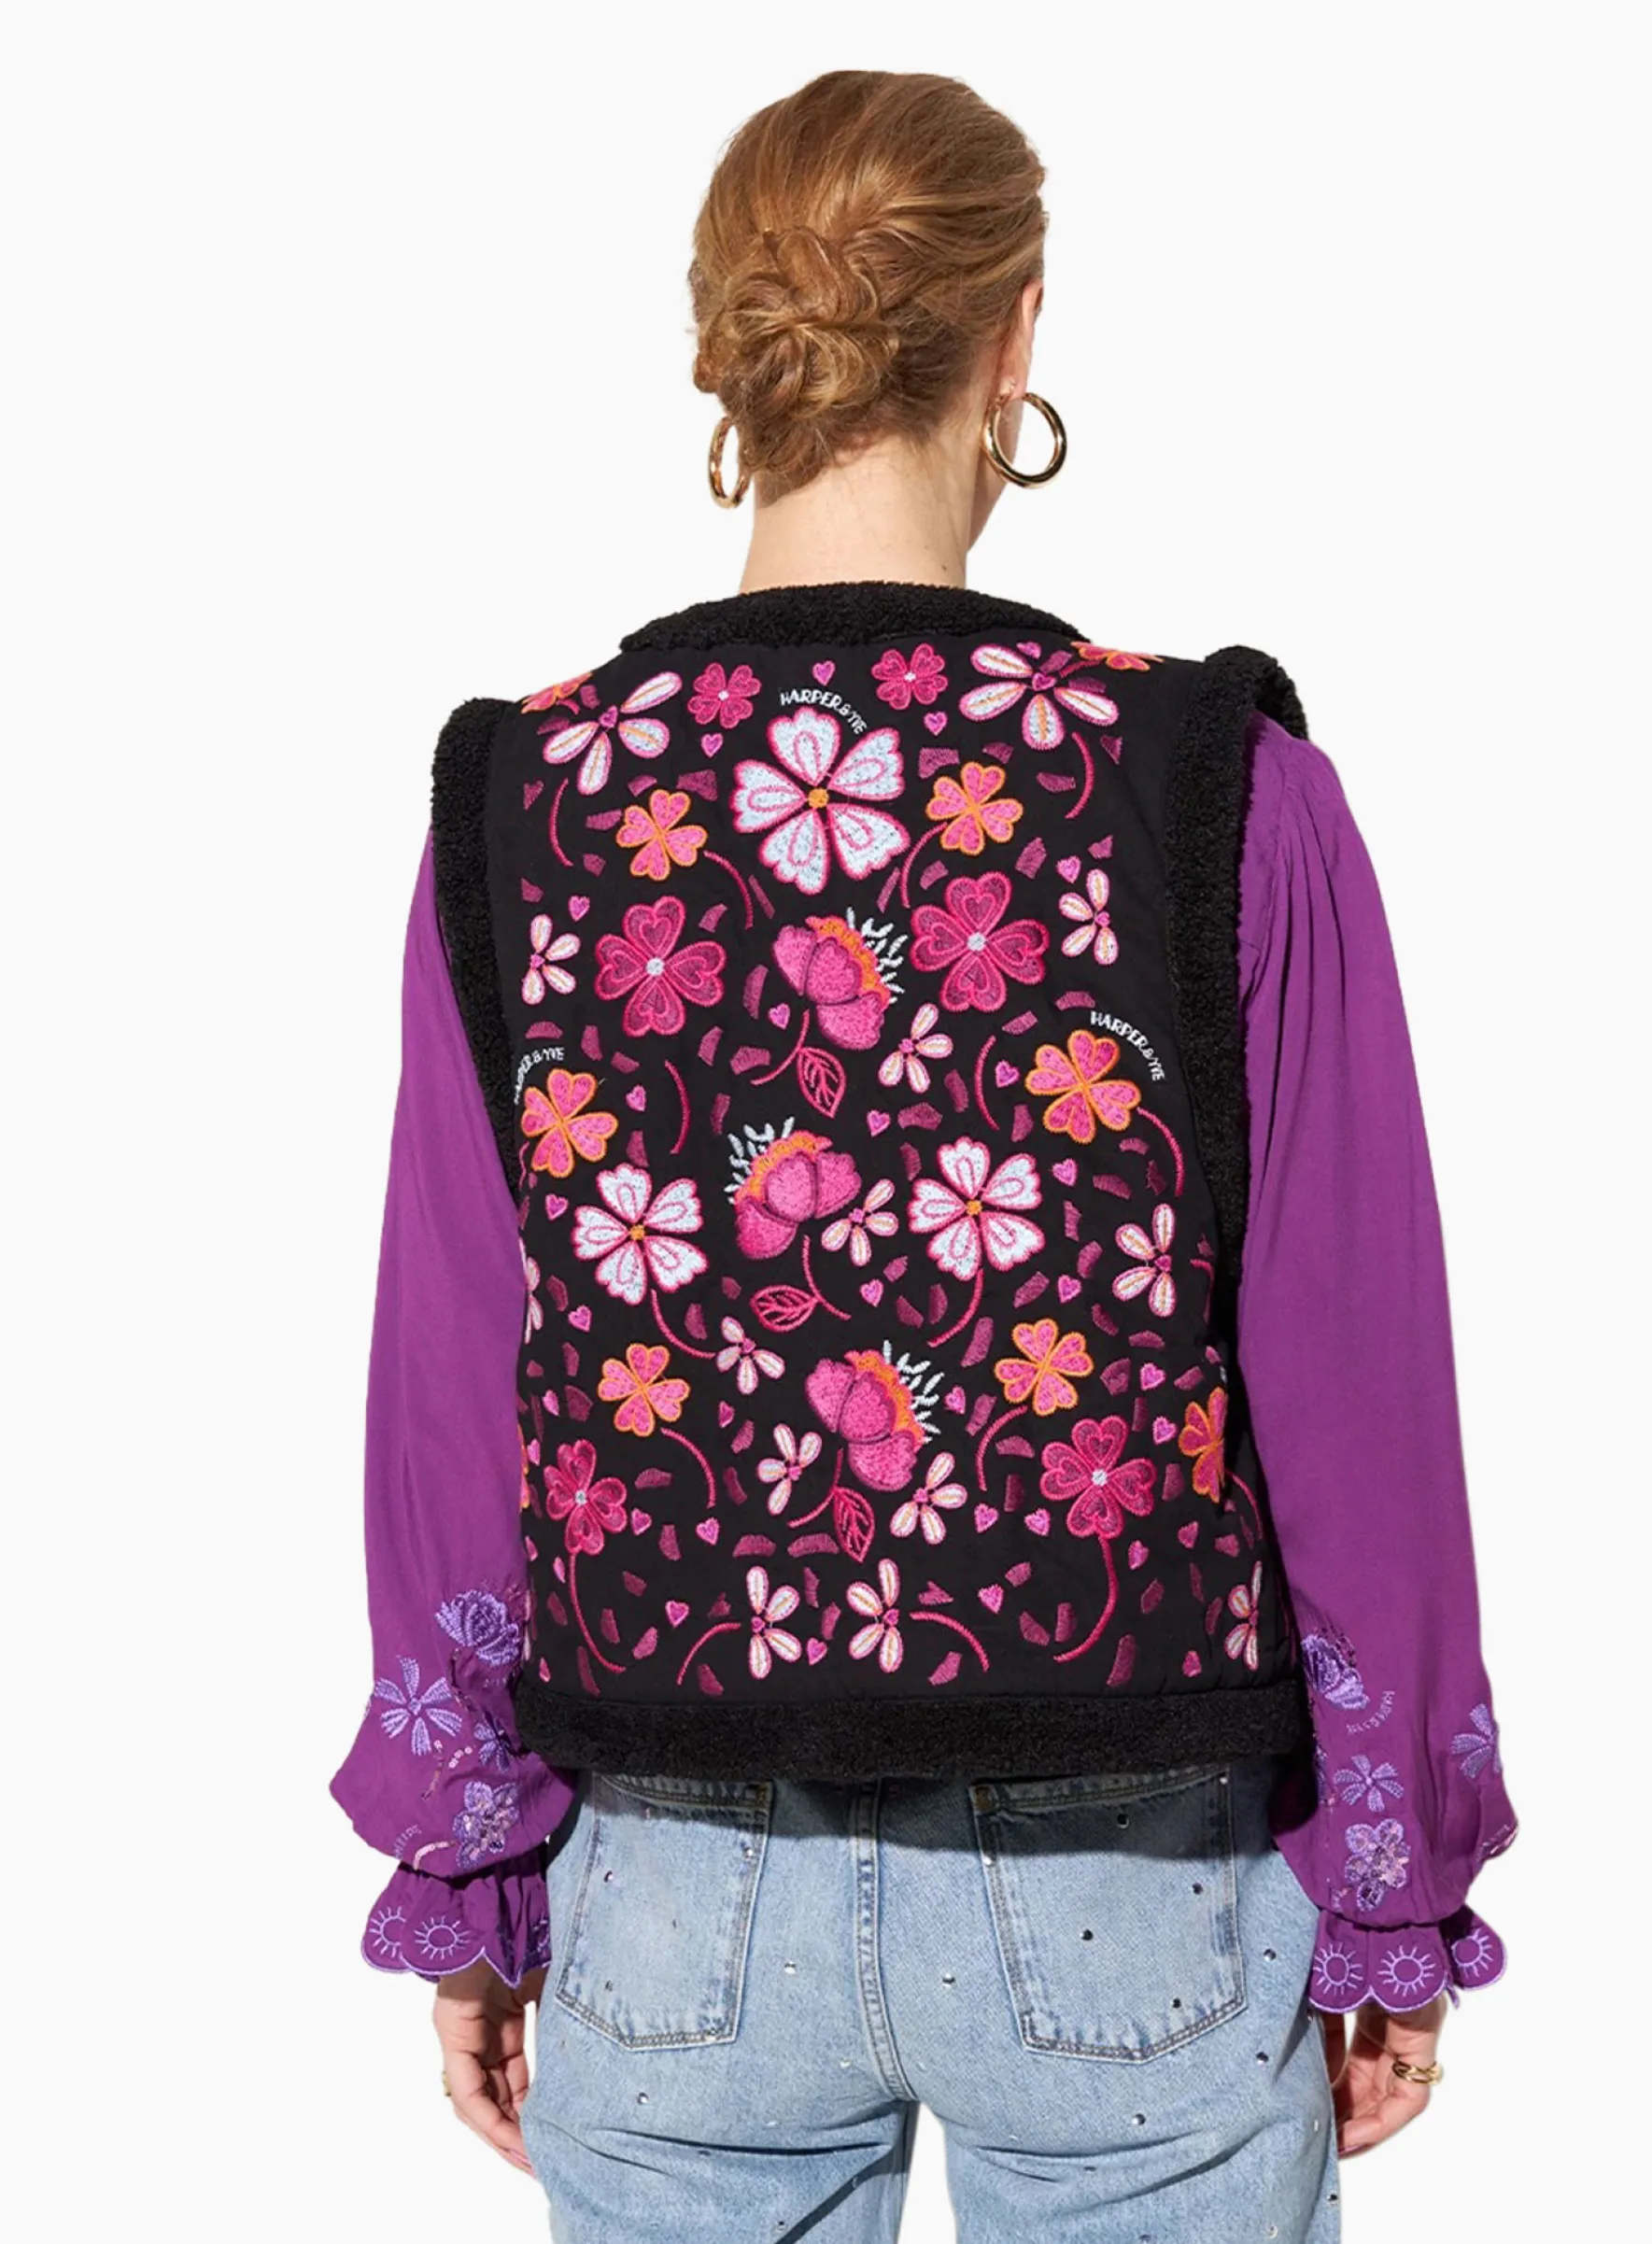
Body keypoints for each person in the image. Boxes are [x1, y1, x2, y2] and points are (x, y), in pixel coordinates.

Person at [330, 67, 1517, 2240]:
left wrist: (472, 1855)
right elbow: (1352, 1368)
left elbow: (456, 1379)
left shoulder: (528, 806)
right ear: (1016, 336)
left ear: (732, 343)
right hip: (1133, 1877)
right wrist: (1390, 1882)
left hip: (670, 1873)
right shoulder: (1206, 783)